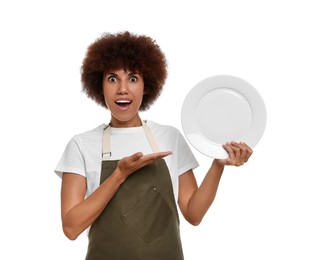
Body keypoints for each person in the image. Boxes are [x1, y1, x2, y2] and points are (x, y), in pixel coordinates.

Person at [55, 31, 253, 260]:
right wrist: (119, 174)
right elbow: (71, 228)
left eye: (132, 78)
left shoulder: (170, 137)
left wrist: (218, 165)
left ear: (146, 85)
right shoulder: (81, 145)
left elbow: (194, 214)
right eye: (112, 79)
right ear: (99, 86)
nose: (122, 89)